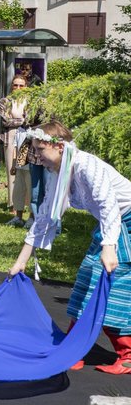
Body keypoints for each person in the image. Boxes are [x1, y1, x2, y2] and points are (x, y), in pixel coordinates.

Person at [10, 122, 131, 375]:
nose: (38, 157)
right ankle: (74, 347)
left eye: (40, 149)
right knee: (87, 280)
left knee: (112, 285)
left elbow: (109, 205)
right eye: (35, 150)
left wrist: (109, 248)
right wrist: (22, 259)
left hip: (123, 221)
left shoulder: (87, 166)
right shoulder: (60, 172)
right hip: (110, 224)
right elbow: (44, 216)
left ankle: (126, 354)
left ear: (59, 146)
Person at [0, 75, 33, 226]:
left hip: (27, 140)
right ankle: (14, 208)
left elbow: (31, 120)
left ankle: (30, 211)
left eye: (21, 85)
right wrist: (22, 122)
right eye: (15, 85)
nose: (18, 88)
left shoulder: (31, 101)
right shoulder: (5, 101)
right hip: (11, 139)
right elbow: (5, 121)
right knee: (12, 173)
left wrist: (21, 122)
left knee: (27, 175)